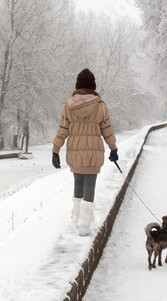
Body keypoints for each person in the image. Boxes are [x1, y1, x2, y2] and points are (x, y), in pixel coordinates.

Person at [51, 68, 118, 236]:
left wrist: (55, 150)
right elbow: (107, 129)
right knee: (90, 185)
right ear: (93, 86)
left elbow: (62, 130)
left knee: (78, 182)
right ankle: (84, 224)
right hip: (94, 152)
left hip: (75, 151)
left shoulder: (68, 106)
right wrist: (113, 148)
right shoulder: (100, 106)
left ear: (78, 86)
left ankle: (78, 217)